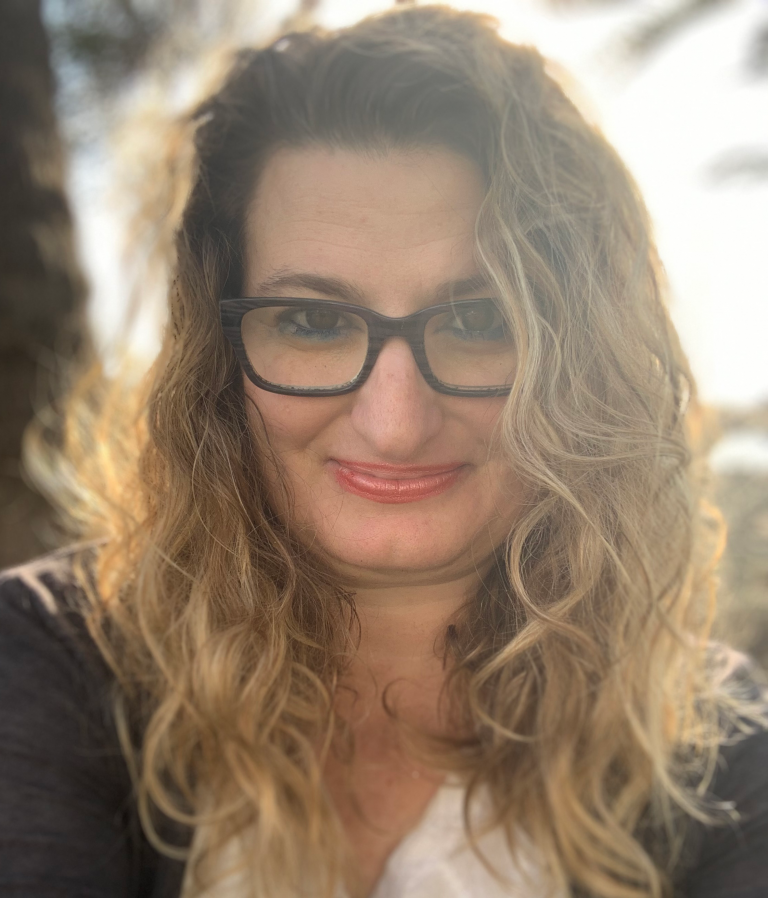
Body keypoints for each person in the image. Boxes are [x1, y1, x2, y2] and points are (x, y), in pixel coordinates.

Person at [1, 6, 766, 898]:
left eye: (477, 320)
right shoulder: (43, 668)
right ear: (216, 359)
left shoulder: (719, 754)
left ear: (582, 361)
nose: (395, 421)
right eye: (313, 321)